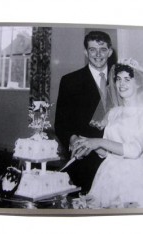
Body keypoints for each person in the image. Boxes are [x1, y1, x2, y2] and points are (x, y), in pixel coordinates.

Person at [72, 58, 143, 208]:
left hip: (136, 177)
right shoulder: (113, 113)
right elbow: (105, 153)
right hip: (108, 174)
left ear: (138, 83)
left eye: (127, 79)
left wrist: (98, 142)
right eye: (118, 79)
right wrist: (88, 145)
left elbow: (133, 151)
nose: (121, 84)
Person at [55, 31, 114, 194]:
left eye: (103, 49)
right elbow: (61, 124)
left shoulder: (121, 79)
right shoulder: (70, 81)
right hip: (85, 163)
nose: (98, 54)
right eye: (93, 49)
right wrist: (73, 139)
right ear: (86, 52)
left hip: (118, 160)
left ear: (110, 51)